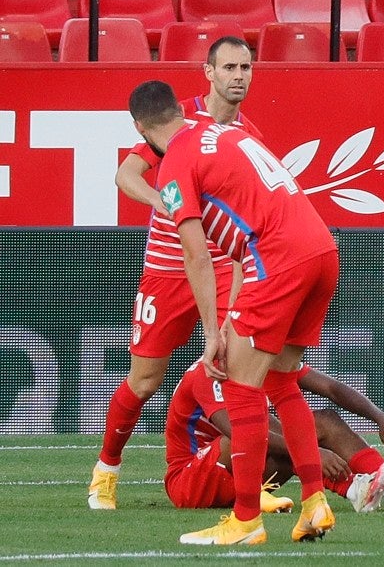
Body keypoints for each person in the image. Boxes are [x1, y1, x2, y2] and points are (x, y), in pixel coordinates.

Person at [129, 79, 339, 545]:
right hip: (321, 250)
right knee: (282, 380)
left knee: (239, 386)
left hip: (279, 258)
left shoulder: (174, 163)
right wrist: (229, 318)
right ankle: (314, 502)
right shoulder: (228, 132)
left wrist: (210, 333)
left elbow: (195, 254)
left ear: (140, 128)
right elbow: (245, 239)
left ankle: (246, 521)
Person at [90, 37, 263, 511]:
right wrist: (166, 204)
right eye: (229, 67)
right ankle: (106, 469)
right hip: (168, 270)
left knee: (238, 366)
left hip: (224, 268)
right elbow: (127, 175)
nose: (238, 76)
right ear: (208, 72)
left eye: (245, 67)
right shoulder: (175, 121)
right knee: (144, 381)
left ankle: (249, 480)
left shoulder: (249, 135)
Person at [165, 361, 384, 514]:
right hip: (188, 481)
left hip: (241, 469)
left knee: (324, 421)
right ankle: (356, 489)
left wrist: (381, 418)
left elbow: (331, 387)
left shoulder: (262, 356)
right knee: (249, 436)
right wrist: (310, 452)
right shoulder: (208, 371)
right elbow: (239, 432)